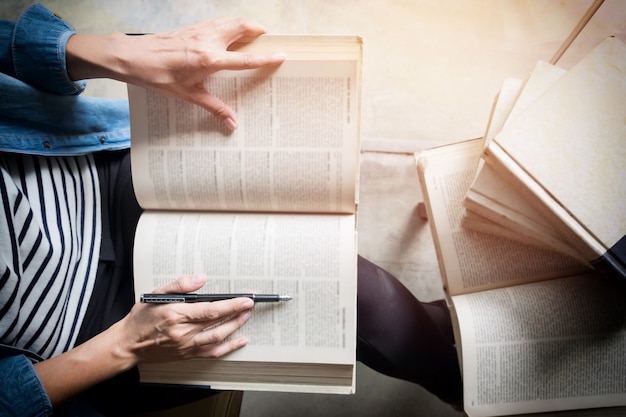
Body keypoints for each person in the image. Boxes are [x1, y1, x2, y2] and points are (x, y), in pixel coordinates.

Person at [0, 3, 462, 416]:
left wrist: (121, 55)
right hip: (90, 334)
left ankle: (469, 354)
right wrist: (128, 344)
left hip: (87, 165)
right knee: (335, 285)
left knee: (297, 188)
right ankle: (472, 376)